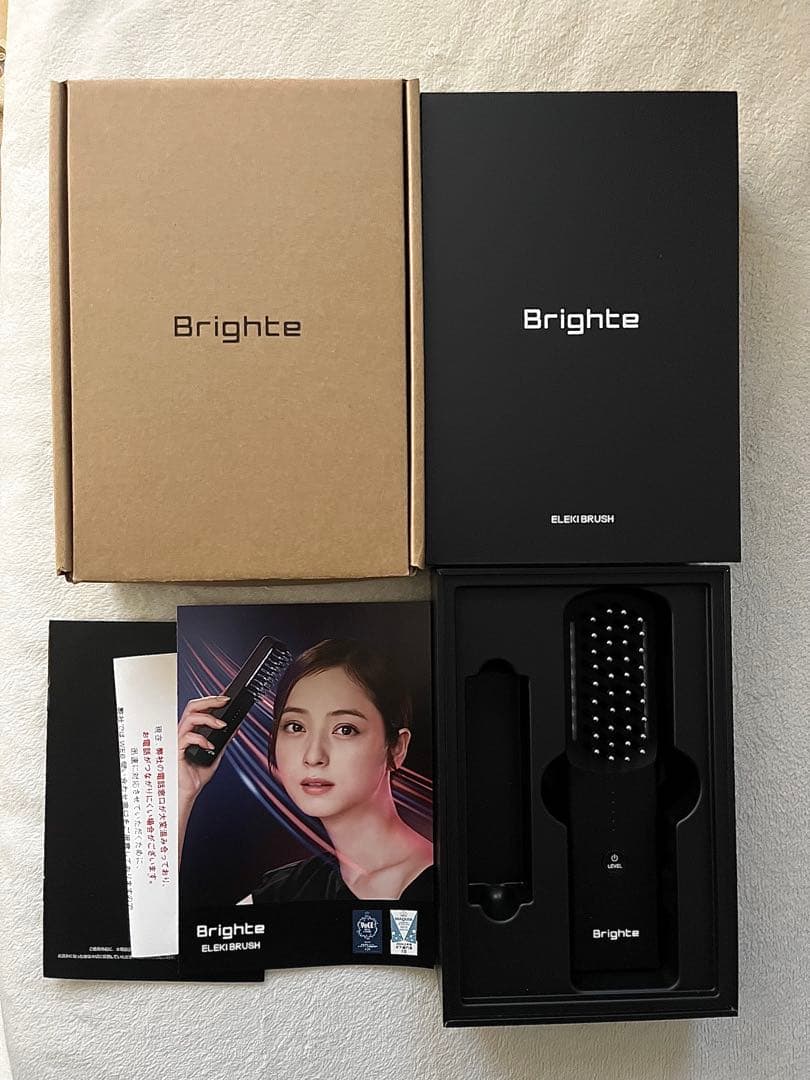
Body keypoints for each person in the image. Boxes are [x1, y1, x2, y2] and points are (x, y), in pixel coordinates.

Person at [178, 638, 433, 903]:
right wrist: (182, 792)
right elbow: (166, 925)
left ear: (396, 748)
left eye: (345, 729)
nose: (313, 756)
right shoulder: (288, 890)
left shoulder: (440, 881)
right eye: (296, 727)